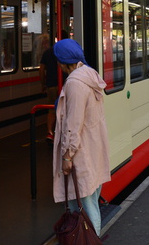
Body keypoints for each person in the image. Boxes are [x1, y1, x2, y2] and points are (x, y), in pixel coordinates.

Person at [52, 39, 110, 236]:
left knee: (85, 204)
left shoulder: (75, 83)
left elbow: (73, 124)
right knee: (89, 199)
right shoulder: (89, 75)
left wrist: (68, 155)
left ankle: (91, 240)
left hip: (81, 153)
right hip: (93, 149)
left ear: (63, 61)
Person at [39, 30, 68, 142]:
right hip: (66, 85)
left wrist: (43, 84)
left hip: (51, 85)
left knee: (51, 109)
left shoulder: (48, 52)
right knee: (66, 108)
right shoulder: (67, 51)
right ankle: (64, 132)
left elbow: (41, 69)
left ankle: (50, 132)